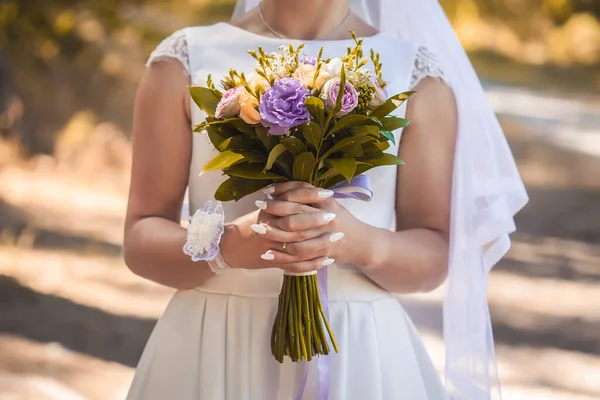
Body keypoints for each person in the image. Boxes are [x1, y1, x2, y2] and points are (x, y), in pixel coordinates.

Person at [124, 0, 528, 399]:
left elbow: (433, 255)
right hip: (211, 346)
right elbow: (141, 237)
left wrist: (354, 241)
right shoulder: (184, 61)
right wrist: (225, 245)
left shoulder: (416, 75)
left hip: (356, 350)